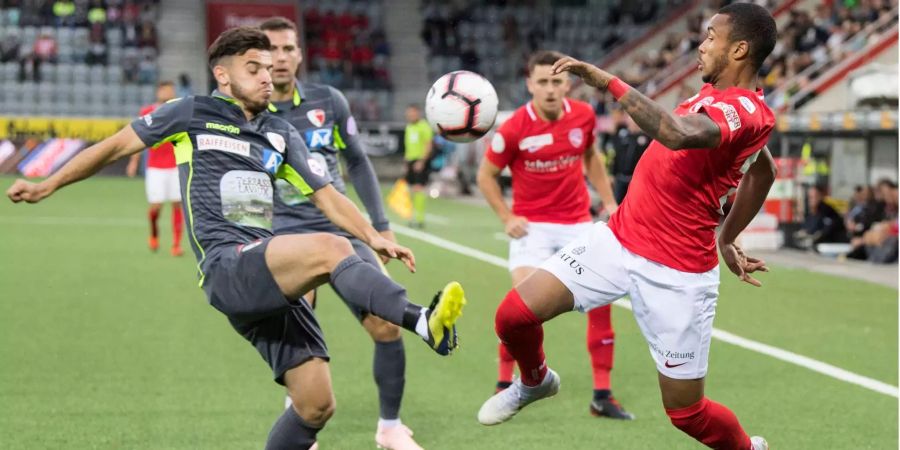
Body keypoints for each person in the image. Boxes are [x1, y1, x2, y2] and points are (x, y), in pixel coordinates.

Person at [7, 27, 466, 450]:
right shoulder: (190, 112)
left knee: (315, 404)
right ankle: (422, 320)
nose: (268, 77)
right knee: (332, 247)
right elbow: (112, 147)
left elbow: (327, 197)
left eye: (269, 68)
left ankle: (412, 329)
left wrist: (375, 235)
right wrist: (47, 183)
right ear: (222, 75)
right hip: (228, 265)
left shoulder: (281, 133)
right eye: (254, 68)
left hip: (266, 276)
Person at [477, 4, 777, 449]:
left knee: (687, 413)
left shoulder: (748, 112)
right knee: (513, 316)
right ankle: (536, 380)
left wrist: (604, 81)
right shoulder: (713, 97)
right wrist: (727, 237)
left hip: (678, 273)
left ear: (739, 49)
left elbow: (676, 133)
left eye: (711, 37)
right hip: (618, 239)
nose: (701, 44)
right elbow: (761, 170)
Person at [260, 17, 422, 450]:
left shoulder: (328, 100)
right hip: (285, 235)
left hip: (342, 230)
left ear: (299, 54)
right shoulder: (248, 110)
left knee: (386, 324)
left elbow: (358, 162)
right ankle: (299, 431)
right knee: (299, 339)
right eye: (271, 49)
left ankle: (390, 428)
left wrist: (380, 225)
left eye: (288, 48)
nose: (280, 57)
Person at [476, 50, 631, 420]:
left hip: (578, 223)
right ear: (530, 84)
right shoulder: (513, 128)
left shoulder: (583, 115)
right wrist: (506, 216)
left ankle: (602, 395)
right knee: (521, 309)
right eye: (542, 82)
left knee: (601, 306)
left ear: (568, 84)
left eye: (557, 81)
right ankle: (505, 382)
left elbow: (591, 156)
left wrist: (610, 202)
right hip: (532, 229)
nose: (549, 89)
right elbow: (486, 176)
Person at [127, 80, 183, 256]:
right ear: (159, 92)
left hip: (175, 165)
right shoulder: (147, 112)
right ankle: (154, 233)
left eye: (170, 89)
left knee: (177, 204)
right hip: (155, 167)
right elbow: (139, 139)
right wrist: (134, 161)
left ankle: (176, 245)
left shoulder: (179, 110)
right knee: (156, 207)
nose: (168, 92)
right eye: (165, 89)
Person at [607, 112, 650, 204]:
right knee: (617, 203)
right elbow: (616, 156)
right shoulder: (623, 136)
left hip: (635, 179)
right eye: (630, 119)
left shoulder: (646, 138)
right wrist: (612, 174)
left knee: (633, 204)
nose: (632, 122)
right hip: (621, 178)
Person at [403, 104, 433, 228]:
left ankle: (419, 218)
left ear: (418, 113)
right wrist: (406, 162)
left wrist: (422, 161)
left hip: (420, 161)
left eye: (413, 113)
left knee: (419, 188)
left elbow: (428, 145)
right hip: (410, 160)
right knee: (410, 189)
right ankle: (411, 216)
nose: (410, 115)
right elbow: (408, 146)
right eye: (409, 113)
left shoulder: (424, 126)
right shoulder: (409, 127)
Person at [796, 185, 848, 250]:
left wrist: (810, 235)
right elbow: (806, 228)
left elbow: (823, 233)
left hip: (833, 246)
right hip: (819, 247)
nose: (810, 200)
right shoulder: (811, 213)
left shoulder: (828, 212)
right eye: (809, 197)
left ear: (820, 197)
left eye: (813, 197)